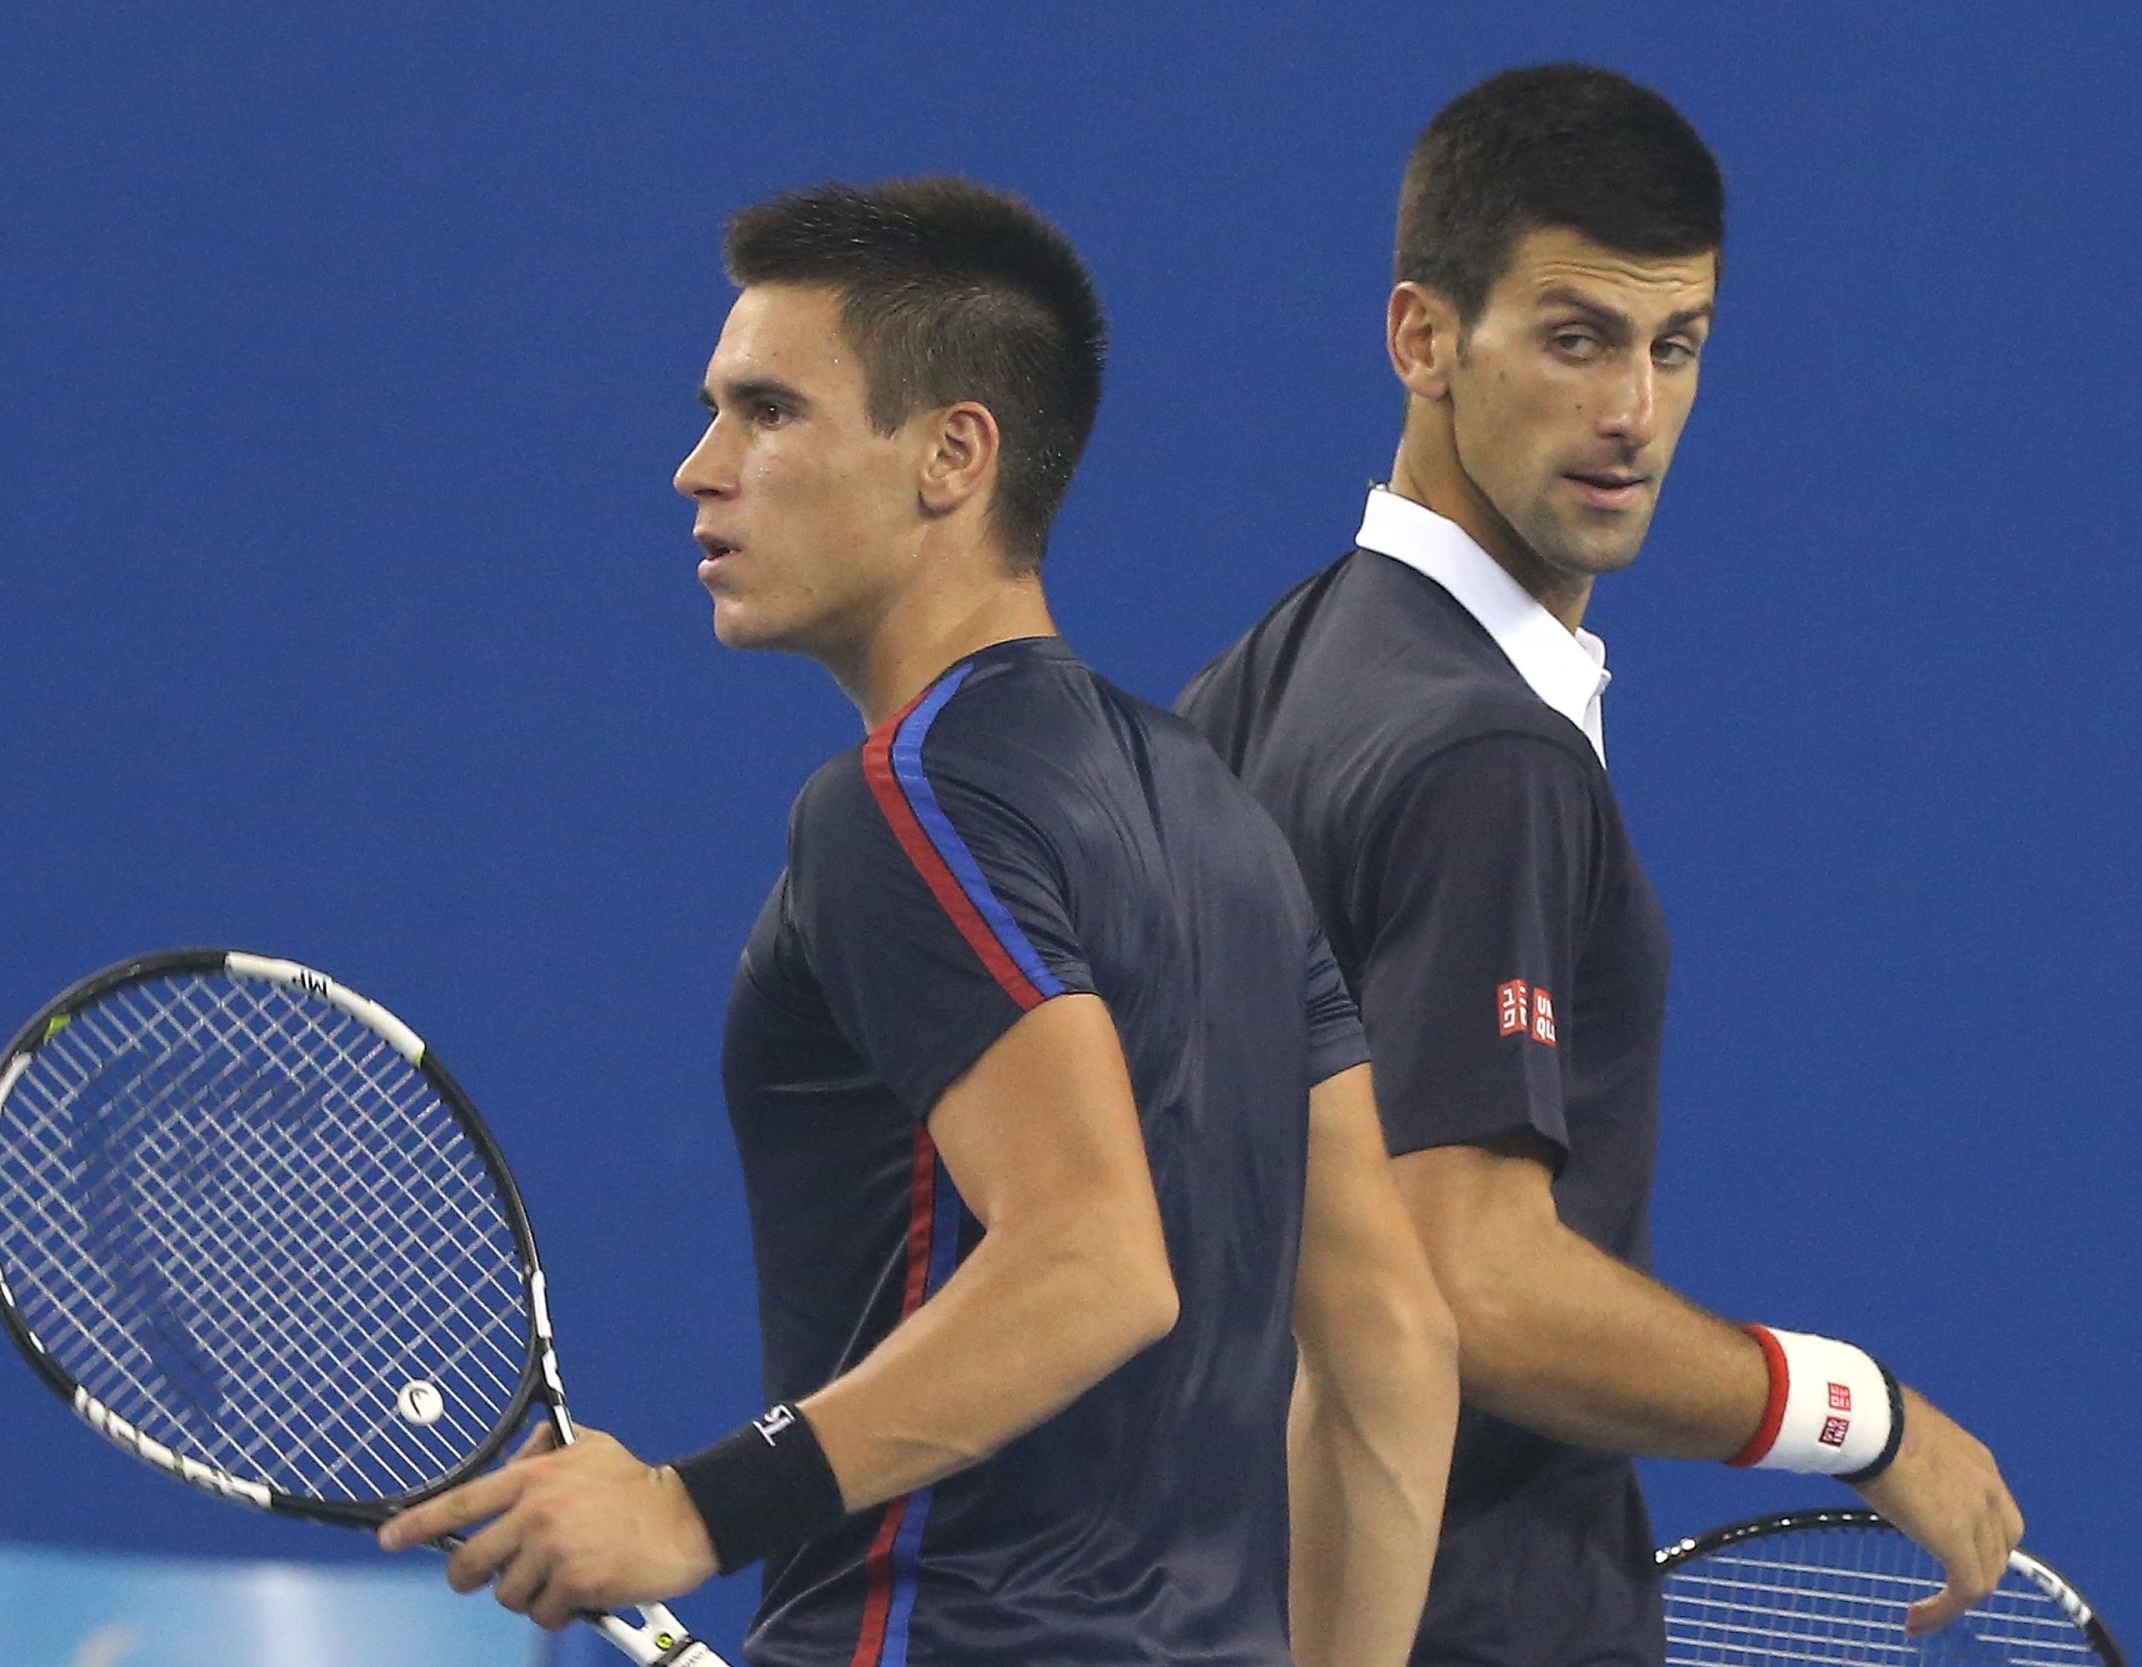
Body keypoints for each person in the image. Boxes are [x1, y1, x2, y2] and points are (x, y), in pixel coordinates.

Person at [383, 177, 1460, 1667]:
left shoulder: (901, 800)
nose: (699, 467)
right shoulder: (1225, 818)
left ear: (953, 455)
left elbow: (1095, 1261)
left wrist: (692, 1513)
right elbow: (1391, 1341)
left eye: (767, 412)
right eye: (713, 410)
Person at [1177, 64, 2021, 1667]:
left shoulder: (1268, 674)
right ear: (1423, 337)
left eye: (1673, 346)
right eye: (1576, 338)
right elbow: (1469, 1288)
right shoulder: (1485, 757)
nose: (1632, 410)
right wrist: (1859, 1413)